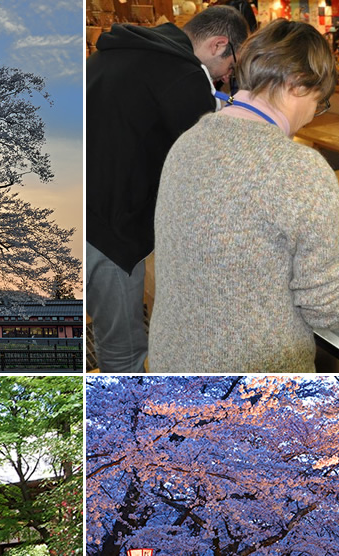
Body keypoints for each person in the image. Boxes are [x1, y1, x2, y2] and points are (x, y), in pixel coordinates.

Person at [147, 20, 339, 373]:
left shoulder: (188, 141)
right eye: (318, 101)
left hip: (172, 358)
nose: (313, 114)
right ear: (296, 83)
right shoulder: (300, 169)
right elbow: (323, 305)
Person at [86, 6, 250, 373]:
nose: (226, 79)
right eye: (232, 66)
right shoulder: (182, 74)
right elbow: (209, 170)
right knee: (124, 351)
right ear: (218, 44)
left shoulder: (120, 52)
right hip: (108, 231)